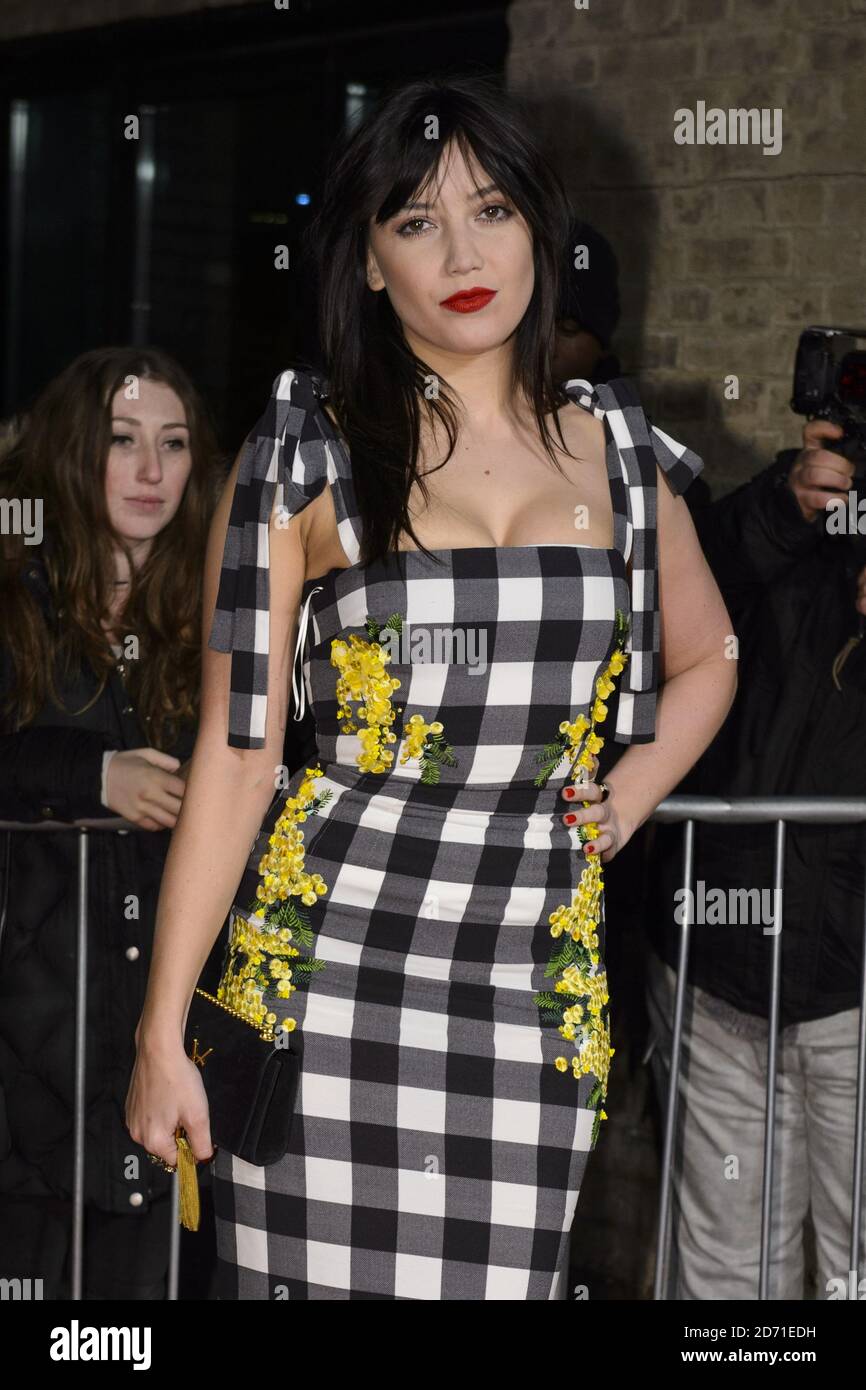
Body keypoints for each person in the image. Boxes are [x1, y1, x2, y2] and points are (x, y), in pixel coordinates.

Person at [126, 75, 736, 1301]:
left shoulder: (619, 457)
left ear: (537, 232)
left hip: (526, 994)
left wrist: (628, 794)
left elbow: (709, 656)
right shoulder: (302, 449)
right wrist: (160, 1029)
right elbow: (239, 754)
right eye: (415, 221)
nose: (462, 252)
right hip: (323, 983)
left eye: (493, 210)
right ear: (363, 263)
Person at [0, 346, 222, 1299]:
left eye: (172, 445)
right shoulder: (16, 597)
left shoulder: (211, 615)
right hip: (31, 1022)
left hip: (164, 1026)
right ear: (71, 452)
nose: (150, 471)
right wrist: (89, 772)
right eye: (122, 441)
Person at [644, 415, 866, 1300]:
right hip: (720, 966)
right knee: (729, 1274)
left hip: (853, 992)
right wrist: (789, 505)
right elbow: (672, 599)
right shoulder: (780, 513)